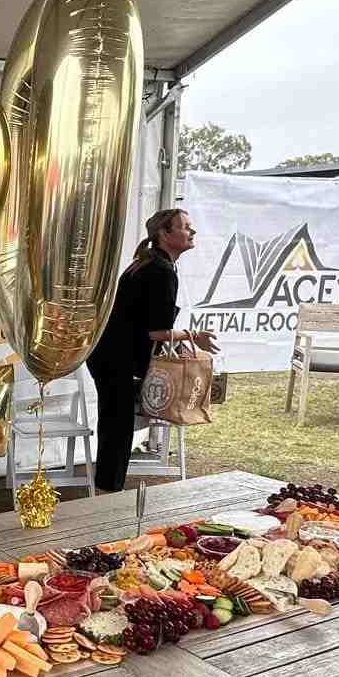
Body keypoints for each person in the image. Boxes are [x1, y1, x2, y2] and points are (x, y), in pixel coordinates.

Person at [86, 208, 217, 492]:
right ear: (165, 234)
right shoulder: (160, 270)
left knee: (115, 422)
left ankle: (107, 488)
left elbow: (146, 321)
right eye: (185, 226)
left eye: (191, 226)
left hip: (111, 354)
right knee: (117, 424)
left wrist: (180, 340)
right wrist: (195, 336)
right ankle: (108, 492)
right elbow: (155, 331)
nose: (191, 231)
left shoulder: (151, 263)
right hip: (116, 356)